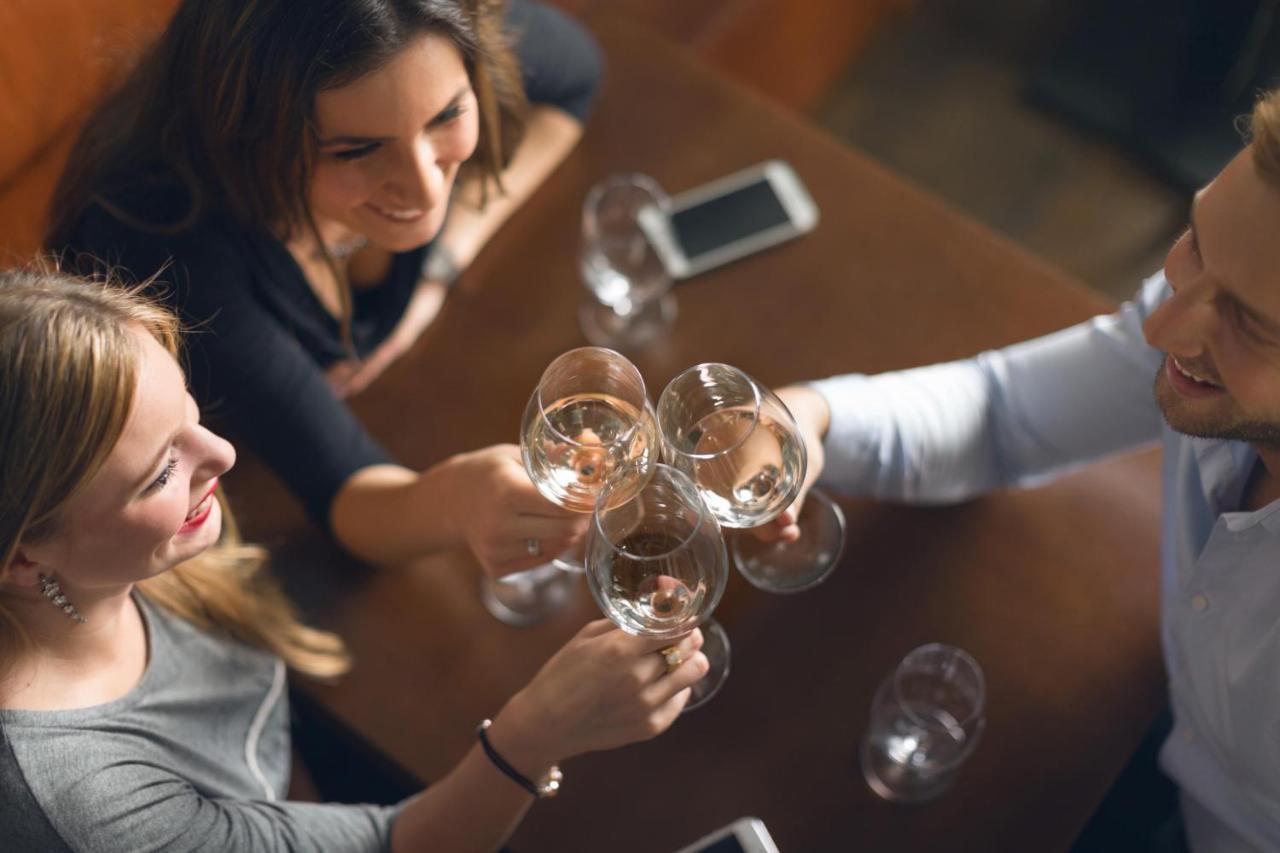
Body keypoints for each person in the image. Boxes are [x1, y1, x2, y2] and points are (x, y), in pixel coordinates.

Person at [0, 267, 708, 852]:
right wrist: (535, 736)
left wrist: (457, 494)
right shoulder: (90, 810)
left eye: (189, 413)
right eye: (159, 471)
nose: (222, 456)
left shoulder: (131, 546)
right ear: (25, 561)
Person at [767, 88, 1280, 851]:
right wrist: (804, 420)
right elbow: (1004, 415)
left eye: (1250, 322)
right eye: (1196, 239)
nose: (1162, 325)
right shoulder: (1207, 331)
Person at [45, 0, 602, 577]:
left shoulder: (420, 32)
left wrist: (441, 264)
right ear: (252, 138)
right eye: (357, 150)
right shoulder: (168, 248)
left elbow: (575, 79)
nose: (424, 187)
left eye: (445, 116)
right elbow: (344, 491)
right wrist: (463, 498)